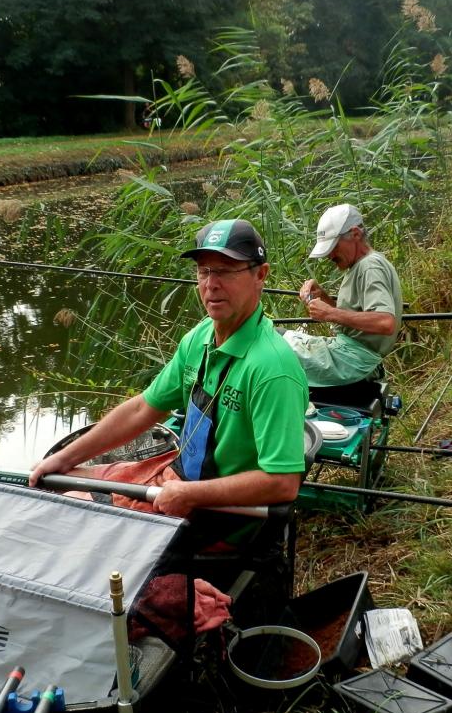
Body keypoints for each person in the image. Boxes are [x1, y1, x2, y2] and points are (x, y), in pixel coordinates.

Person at [29, 219, 308, 515]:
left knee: (66, 507)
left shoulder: (272, 369)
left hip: (214, 513)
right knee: (52, 480)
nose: (211, 284)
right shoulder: (200, 337)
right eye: (204, 271)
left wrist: (191, 494)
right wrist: (62, 458)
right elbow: (144, 409)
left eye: (226, 271)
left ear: (260, 275)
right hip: (176, 476)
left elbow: (283, 482)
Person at [284, 203, 403, 388]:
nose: (329, 255)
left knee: (272, 347)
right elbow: (356, 320)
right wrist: (323, 297)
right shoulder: (359, 265)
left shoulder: (369, 266)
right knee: (277, 335)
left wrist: (330, 314)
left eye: (333, 246)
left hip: (353, 361)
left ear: (355, 234)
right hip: (347, 353)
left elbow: (385, 322)